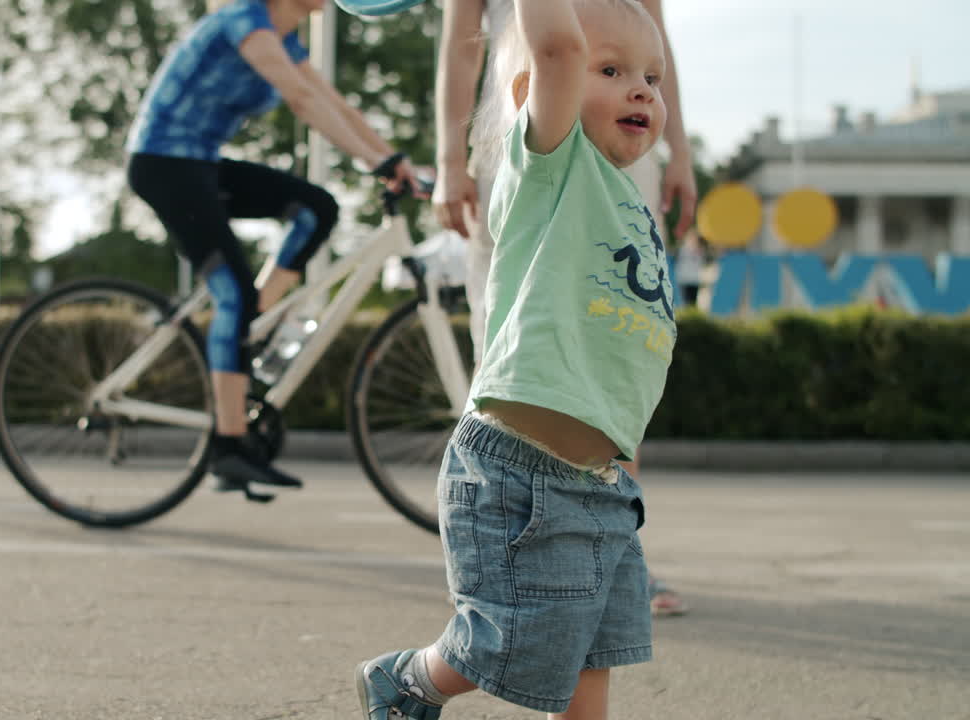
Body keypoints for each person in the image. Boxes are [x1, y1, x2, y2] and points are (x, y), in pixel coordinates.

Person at [356, 1, 676, 717]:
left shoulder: (626, 201)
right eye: (613, 69)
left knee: (596, 653)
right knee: (507, 643)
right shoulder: (550, 171)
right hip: (517, 473)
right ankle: (408, 679)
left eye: (651, 78)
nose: (641, 90)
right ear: (534, 93)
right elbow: (557, 46)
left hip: (606, 485)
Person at [434, 0, 691, 618]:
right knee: (517, 344)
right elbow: (466, 41)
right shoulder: (544, 98)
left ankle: (607, 546)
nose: (642, 84)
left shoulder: (635, 100)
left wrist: (678, 148)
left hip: (619, 134)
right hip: (531, 124)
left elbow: (654, 42)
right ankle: (509, 550)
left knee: (611, 340)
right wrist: (448, 157)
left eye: (648, 81)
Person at [125, 0, 420, 500]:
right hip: (163, 164)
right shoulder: (245, 17)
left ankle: (250, 330)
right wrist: (372, 162)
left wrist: (392, 159)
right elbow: (302, 100)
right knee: (232, 293)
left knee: (317, 209)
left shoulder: (285, 39)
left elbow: (335, 103)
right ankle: (229, 446)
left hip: (201, 163)